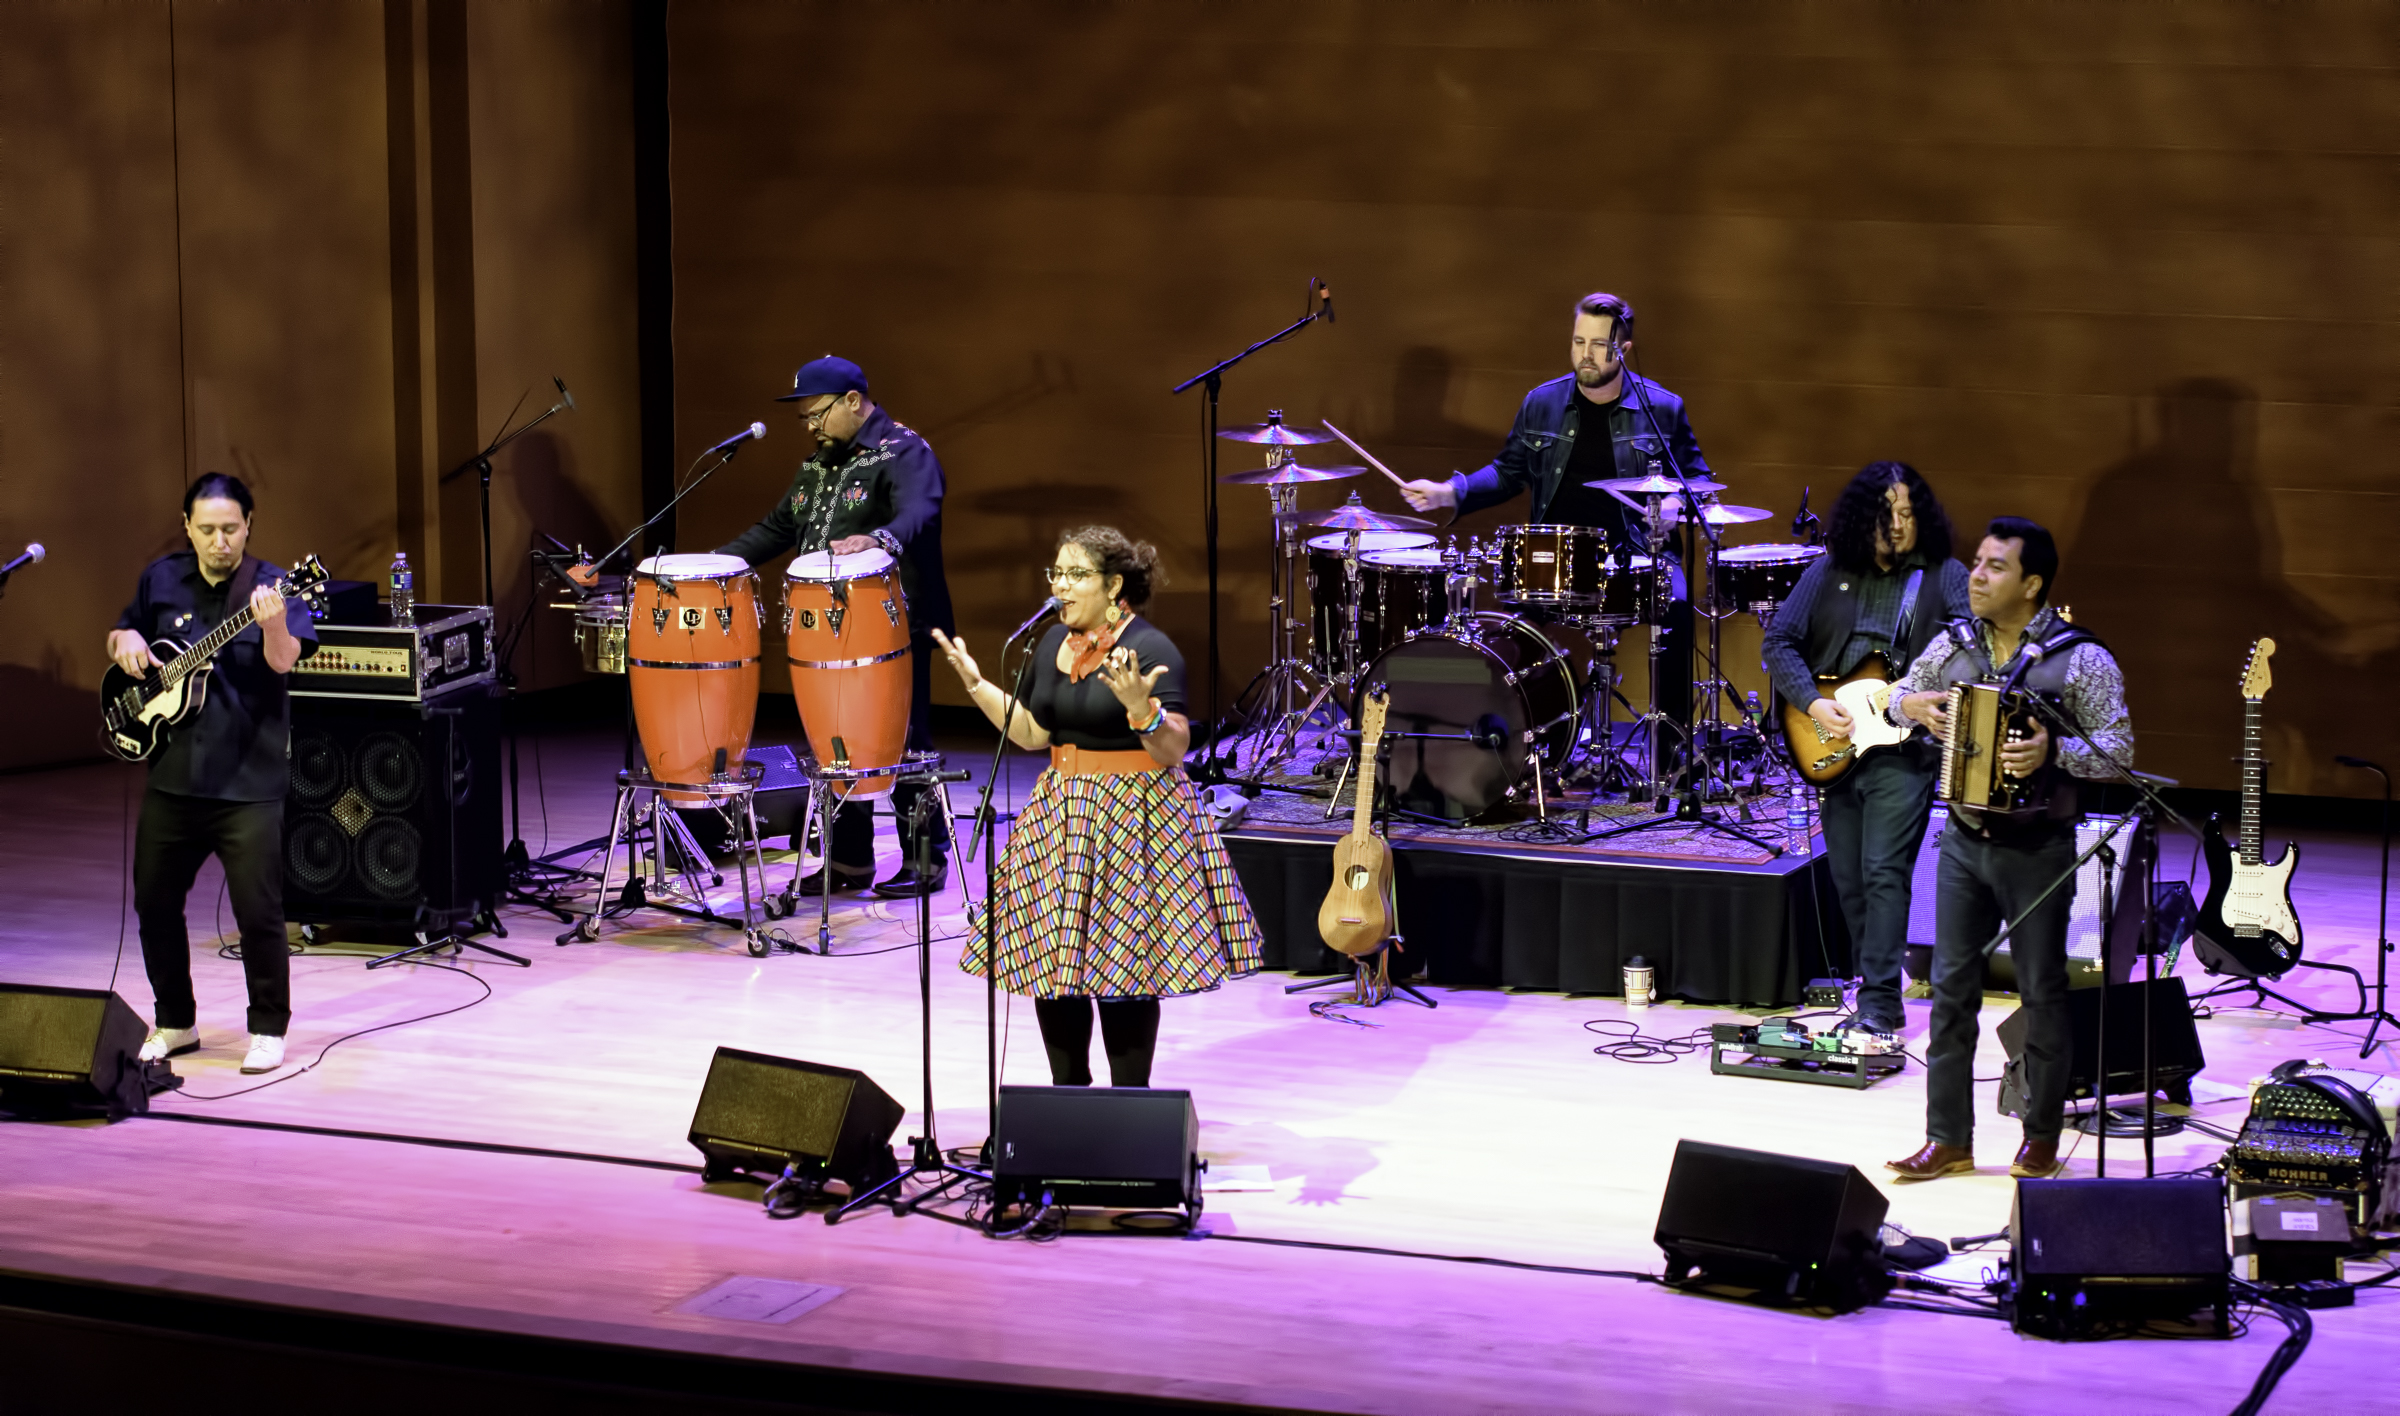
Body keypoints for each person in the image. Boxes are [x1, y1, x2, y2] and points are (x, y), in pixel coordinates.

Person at [932, 527, 1262, 1087]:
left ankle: (1129, 1105)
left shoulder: (1151, 648)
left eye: (1075, 574)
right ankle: (1069, 1097)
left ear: (1114, 586)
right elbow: (1035, 733)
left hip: (1134, 816)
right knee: (1050, 965)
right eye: (1055, 574)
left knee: (1125, 967)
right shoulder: (1048, 646)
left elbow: (1175, 746)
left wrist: (1143, 711)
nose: (1060, 585)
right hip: (1061, 813)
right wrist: (976, 685)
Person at [1882, 518, 2132, 1182]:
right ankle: (1948, 1139)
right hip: (1964, 840)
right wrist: (1920, 709)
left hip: (2038, 846)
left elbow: (2120, 753)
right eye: (1976, 563)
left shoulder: (2081, 658)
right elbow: (1896, 697)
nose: (1977, 575)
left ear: (2032, 584)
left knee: (2044, 993)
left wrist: (2056, 751)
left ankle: (2041, 1136)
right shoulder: (1954, 646)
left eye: (1995, 567)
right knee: (1950, 992)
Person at [1398, 291, 1705, 744]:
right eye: (1578, 342)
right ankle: (1525, 743)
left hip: (1636, 556)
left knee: (1677, 609)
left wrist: (1677, 505)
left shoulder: (1663, 409)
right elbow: (1508, 472)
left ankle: (1673, 750)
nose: (1586, 355)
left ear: (1624, 349)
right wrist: (1450, 491)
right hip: (1552, 557)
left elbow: (1698, 481)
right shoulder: (1542, 403)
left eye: (1599, 345)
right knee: (1508, 637)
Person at [719, 355, 954, 897]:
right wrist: (712, 565)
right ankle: (850, 861)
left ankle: (926, 859)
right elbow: (776, 528)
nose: (811, 426)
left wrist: (879, 538)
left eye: (818, 414)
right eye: (805, 419)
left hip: (898, 623)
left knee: (903, 738)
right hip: (824, 630)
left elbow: (921, 510)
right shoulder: (817, 466)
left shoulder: (902, 450)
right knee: (833, 741)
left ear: (853, 400)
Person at [109, 473, 318, 1074]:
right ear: (187, 527)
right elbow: (124, 632)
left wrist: (273, 621)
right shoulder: (161, 578)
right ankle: (175, 1021)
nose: (219, 542)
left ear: (249, 525)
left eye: (230, 529)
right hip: (173, 775)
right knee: (153, 902)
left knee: (258, 911)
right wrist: (121, 638)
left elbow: (284, 661)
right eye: (207, 530)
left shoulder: (275, 585)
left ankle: (268, 1030)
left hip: (248, 783)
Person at [1760, 462, 1971, 1037]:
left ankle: (1880, 1001)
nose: (1898, 526)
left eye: (1907, 514)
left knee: (1884, 871)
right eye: (1887, 514)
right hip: (1835, 739)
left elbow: (1978, 654)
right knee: (1849, 876)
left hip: (1906, 747)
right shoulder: (1829, 570)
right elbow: (1778, 640)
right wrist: (1809, 702)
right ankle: (1873, 978)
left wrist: (1935, 698)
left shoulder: (1944, 576)